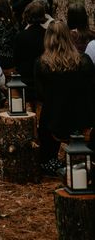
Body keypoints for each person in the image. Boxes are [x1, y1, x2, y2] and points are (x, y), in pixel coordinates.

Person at [35, 21, 95, 176]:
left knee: (46, 109)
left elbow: (40, 95)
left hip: (54, 121)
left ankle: (49, 161)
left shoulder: (42, 65)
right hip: (82, 120)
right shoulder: (84, 61)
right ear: (69, 37)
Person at [13, 0, 47, 109]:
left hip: (25, 81)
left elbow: (16, 60)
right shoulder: (48, 35)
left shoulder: (20, 36)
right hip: (43, 81)